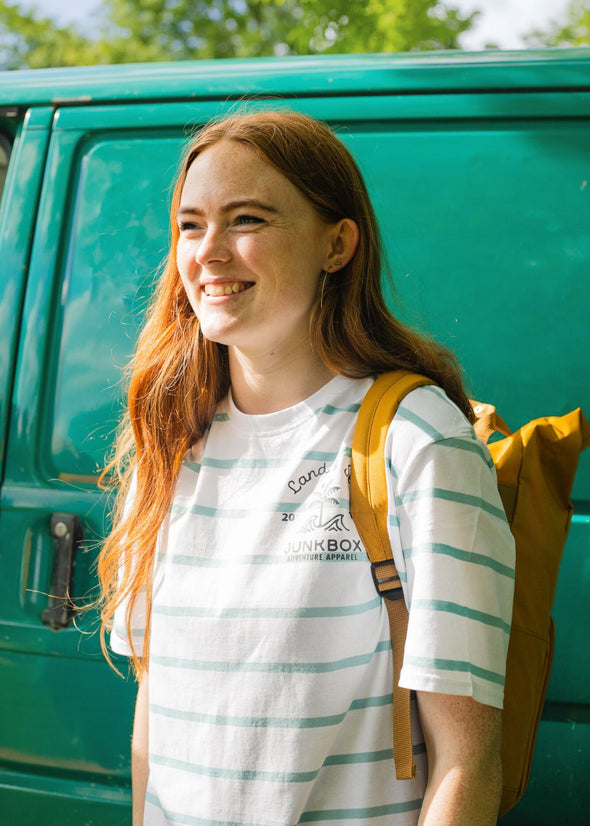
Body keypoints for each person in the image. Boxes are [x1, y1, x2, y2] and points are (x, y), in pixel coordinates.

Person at [98, 110, 515, 826]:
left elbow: (467, 764)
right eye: (191, 225)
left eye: (246, 220)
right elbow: (154, 717)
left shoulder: (415, 441)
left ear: (338, 243)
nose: (209, 252)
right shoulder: (168, 447)